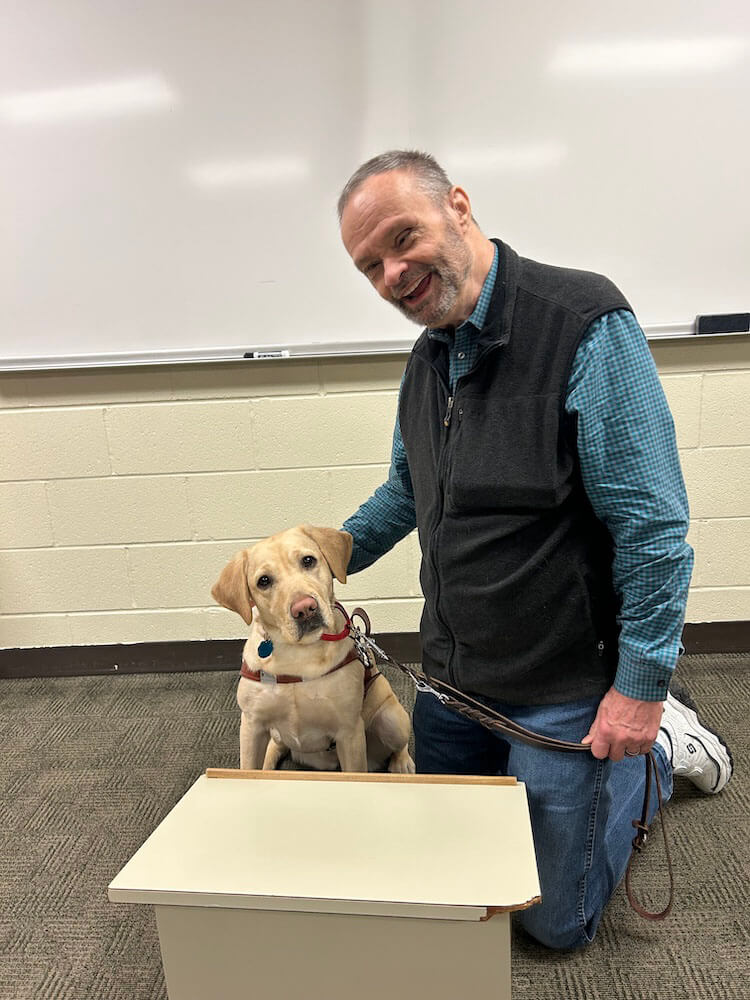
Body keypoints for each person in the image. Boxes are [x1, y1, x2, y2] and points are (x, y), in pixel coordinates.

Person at [336, 149, 733, 949]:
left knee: (552, 924)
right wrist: (312, 563)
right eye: (369, 264)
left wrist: (640, 688)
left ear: (458, 204)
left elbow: (654, 533)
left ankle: (659, 748)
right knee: (451, 883)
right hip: (453, 678)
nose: (391, 273)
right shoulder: (428, 360)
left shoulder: (583, 322)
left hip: (564, 682)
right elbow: (406, 495)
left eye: (402, 238)